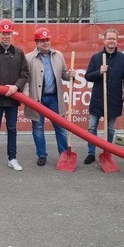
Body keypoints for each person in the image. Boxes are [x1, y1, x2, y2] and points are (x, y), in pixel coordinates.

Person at [24, 27, 75, 166]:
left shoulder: (58, 55)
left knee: (61, 127)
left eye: (47, 40)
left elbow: (64, 74)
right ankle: (41, 155)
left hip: (54, 98)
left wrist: (70, 75)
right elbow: (25, 79)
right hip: (37, 99)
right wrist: (27, 96)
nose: (45, 43)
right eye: (42, 41)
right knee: (38, 128)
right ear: (36, 42)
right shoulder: (29, 58)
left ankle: (64, 154)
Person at [0, 19, 30, 171]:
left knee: (12, 129)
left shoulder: (19, 53)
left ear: (12, 35)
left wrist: (16, 86)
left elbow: (25, 74)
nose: (6, 36)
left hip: (12, 99)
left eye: (8, 34)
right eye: (3, 34)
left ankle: (13, 158)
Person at [83, 28, 124, 164]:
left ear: (117, 41)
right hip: (98, 98)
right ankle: (91, 153)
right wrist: (99, 72)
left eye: (114, 39)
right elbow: (88, 76)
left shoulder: (123, 58)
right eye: (109, 38)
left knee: (110, 128)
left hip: (114, 99)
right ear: (104, 40)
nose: (111, 41)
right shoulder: (96, 57)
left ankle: (107, 152)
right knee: (92, 126)